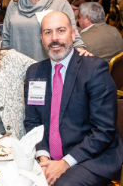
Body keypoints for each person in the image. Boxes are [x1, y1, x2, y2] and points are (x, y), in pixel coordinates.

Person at [24, 11, 123, 186]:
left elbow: (103, 130)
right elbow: (33, 122)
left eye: (60, 30)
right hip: (49, 156)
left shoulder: (94, 69)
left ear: (73, 33)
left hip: (91, 157)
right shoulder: (35, 72)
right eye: (48, 32)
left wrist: (64, 163)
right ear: (41, 38)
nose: (54, 38)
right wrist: (43, 157)